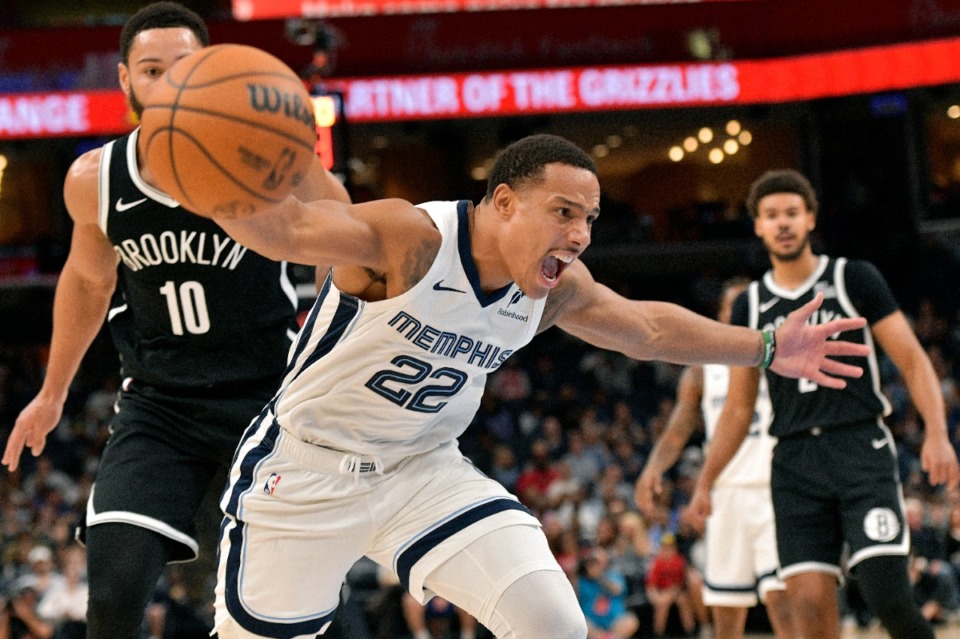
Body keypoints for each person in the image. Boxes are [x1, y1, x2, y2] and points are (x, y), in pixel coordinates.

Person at [205, 134, 869, 638]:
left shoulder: (551, 288)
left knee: (552, 620)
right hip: (306, 472)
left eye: (589, 218)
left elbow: (647, 329)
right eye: (563, 212)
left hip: (422, 473)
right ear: (503, 202)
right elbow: (287, 229)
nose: (579, 234)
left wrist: (770, 346)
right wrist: (189, 166)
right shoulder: (413, 240)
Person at [0, 3, 349, 639]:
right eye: (150, 69)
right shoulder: (96, 178)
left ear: (210, 74)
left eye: (182, 68)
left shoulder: (267, 158)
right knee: (112, 591)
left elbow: (347, 237)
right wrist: (51, 394)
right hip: (160, 404)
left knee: (298, 604)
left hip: (270, 396)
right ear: (125, 80)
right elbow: (86, 280)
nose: (166, 83)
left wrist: (333, 347)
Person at [688, 169, 960, 639]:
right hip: (794, 462)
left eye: (792, 213)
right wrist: (706, 481)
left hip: (859, 449)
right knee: (809, 608)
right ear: (757, 226)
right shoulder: (748, 306)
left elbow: (914, 362)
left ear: (810, 218)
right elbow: (737, 409)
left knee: (888, 598)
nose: (783, 223)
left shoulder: (853, 277)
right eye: (772, 215)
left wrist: (937, 434)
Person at [635, 278, 794, 639]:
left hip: (776, 490)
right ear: (721, 313)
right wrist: (653, 468)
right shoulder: (702, 369)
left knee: (782, 599)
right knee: (725, 609)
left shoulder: (782, 358)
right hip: (723, 495)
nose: (741, 313)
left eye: (749, 305)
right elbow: (677, 431)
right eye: (733, 306)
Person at [578, 547, 639, 639]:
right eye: (591, 562)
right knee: (582, 623)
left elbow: (617, 589)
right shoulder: (582, 581)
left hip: (615, 622)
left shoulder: (613, 575)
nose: (594, 565)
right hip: (593, 624)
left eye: (597, 562)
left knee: (631, 621)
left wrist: (601, 578)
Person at [645, 533, 696, 638]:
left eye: (670, 547)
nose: (668, 550)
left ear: (675, 547)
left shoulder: (679, 561)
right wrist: (655, 596)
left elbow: (682, 582)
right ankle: (658, 633)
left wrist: (673, 591)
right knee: (663, 602)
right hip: (662, 592)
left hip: (678, 591)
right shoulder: (657, 562)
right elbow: (651, 584)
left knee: (683, 601)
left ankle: (690, 631)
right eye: (665, 547)